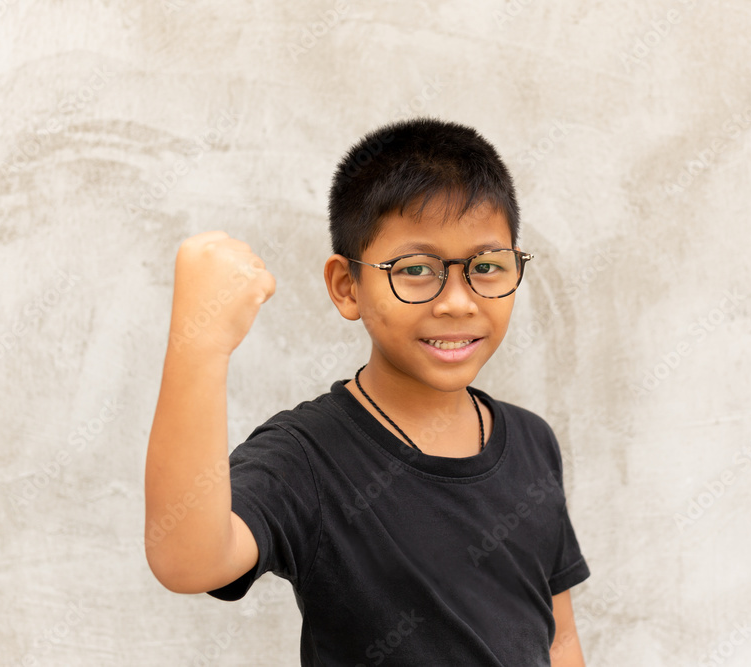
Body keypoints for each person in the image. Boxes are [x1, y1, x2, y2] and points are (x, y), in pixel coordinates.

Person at [144, 117, 591, 665]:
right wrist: (200, 346)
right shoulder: (306, 455)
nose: (457, 301)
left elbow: (558, 636)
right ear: (346, 286)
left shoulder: (531, 440)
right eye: (418, 269)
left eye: (487, 266)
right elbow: (187, 560)